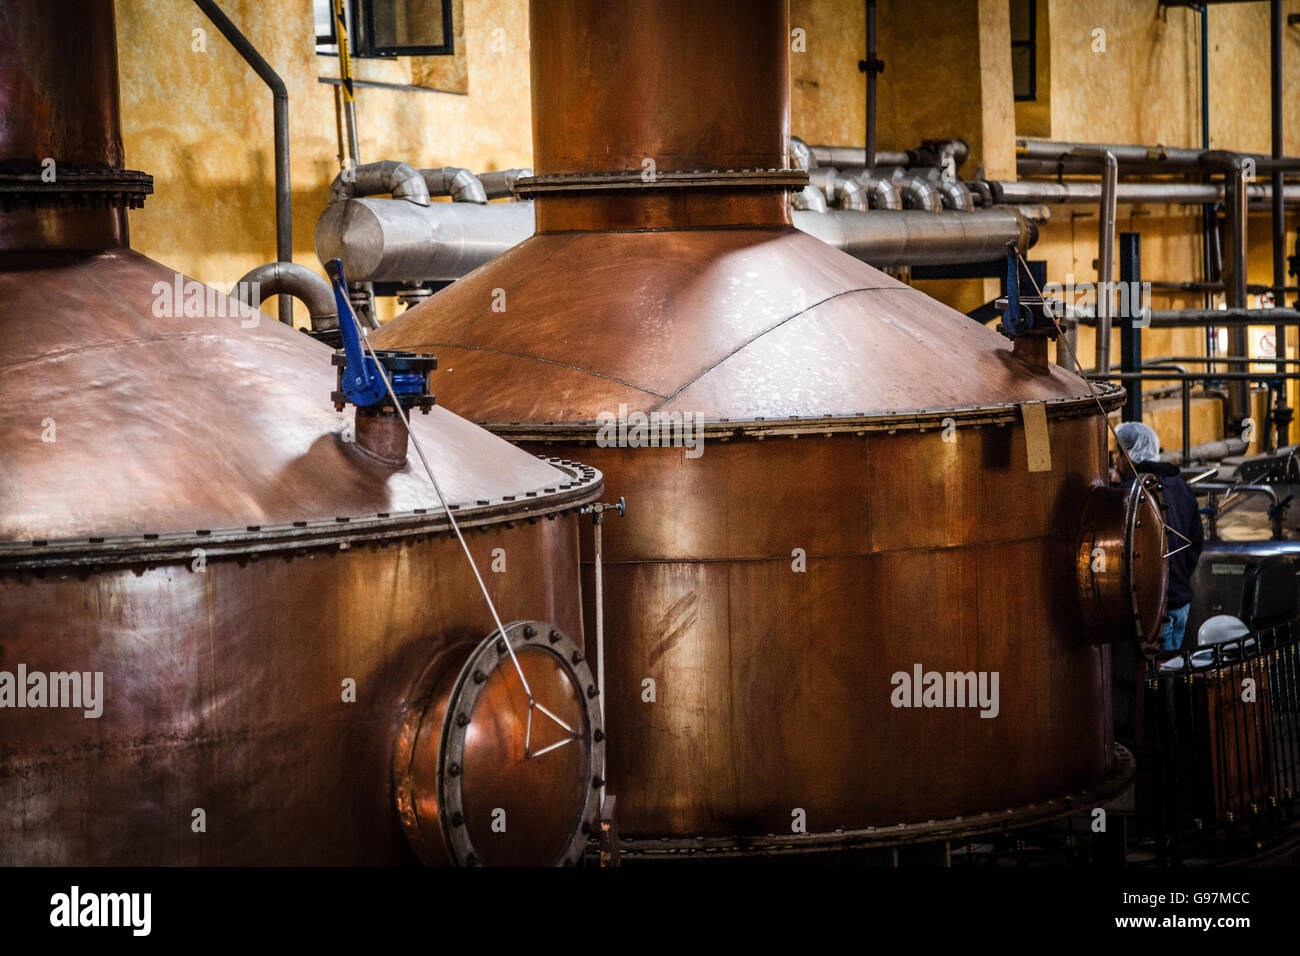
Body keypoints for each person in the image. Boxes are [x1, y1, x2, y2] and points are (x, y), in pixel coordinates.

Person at [1113, 421, 1204, 651]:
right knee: (1172, 674)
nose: (1115, 461)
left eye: (1117, 454)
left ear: (1128, 454)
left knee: (1155, 681)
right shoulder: (1181, 487)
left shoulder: (1131, 493)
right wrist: (1178, 578)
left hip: (1153, 612)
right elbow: (1195, 543)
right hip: (1181, 602)